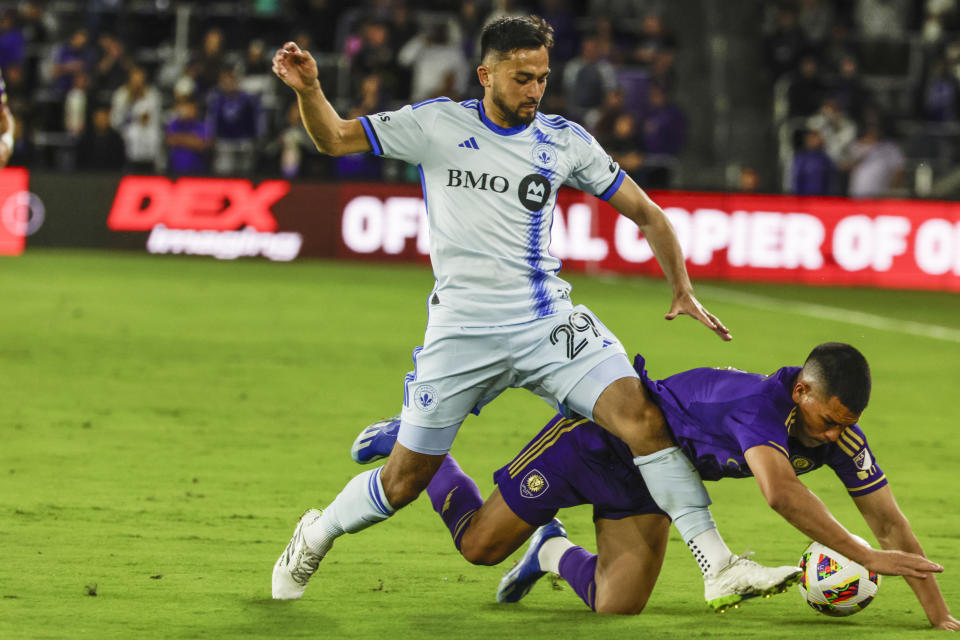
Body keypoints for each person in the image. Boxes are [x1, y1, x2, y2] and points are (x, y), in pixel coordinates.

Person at [268, 14, 789, 605]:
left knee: (642, 418)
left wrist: (682, 287)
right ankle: (316, 533)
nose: (534, 91)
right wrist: (311, 90)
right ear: (486, 73)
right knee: (404, 482)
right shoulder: (435, 124)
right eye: (522, 78)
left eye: (542, 78)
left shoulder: (563, 140)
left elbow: (647, 212)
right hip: (462, 332)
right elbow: (333, 138)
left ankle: (719, 567)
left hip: (547, 322)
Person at [350, 343, 954, 626]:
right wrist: (865, 556)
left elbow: (891, 522)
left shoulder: (837, 433)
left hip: (657, 483)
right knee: (477, 548)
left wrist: (939, 618)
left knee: (619, 604)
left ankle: (551, 551)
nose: (834, 437)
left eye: (847, 426)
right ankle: (417, 442)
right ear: (802, 392)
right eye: (829, 421)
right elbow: (780, 494)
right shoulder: (758, 406)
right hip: (597, 442)